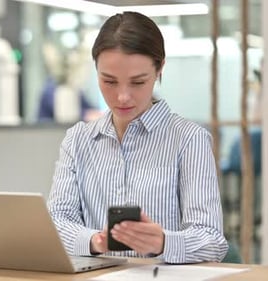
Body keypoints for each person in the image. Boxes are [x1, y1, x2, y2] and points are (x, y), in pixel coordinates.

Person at [47, 11, 228, 264]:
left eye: (137, 82)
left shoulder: (188, 139)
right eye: (109, 81)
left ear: (159, 69)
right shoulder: (78, 140)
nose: (122, 97)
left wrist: (163, 242)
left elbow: (212, 242)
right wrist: (97, 241)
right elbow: (56, 222)